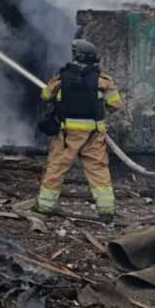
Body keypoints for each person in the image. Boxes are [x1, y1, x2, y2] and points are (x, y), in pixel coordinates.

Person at [36, 39, 123, 217]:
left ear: (76, 55)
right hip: (93, 134)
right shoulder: (103, 81)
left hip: (66, 135)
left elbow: (45, 96)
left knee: (56, 168)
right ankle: (106, 210)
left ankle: (45, 207)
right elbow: (116, 105)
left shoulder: (61, 78)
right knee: (98, 170)